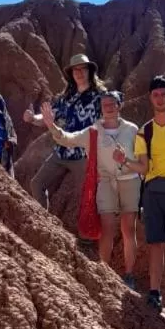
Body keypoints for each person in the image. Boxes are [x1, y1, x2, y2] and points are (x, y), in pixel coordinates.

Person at [40, 90, 140, 288]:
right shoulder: (93, 131)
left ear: (119, 106)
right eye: (105, 105)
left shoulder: (132, 130)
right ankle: (105, 273)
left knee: (129, 229)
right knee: (107, 229)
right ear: (100, 108)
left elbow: (141, 157)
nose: (109, 108)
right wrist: (52, 126)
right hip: (105, 182)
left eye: (113, 104)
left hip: (129, 180)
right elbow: (68, 138)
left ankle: (129, 275)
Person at [116, 75, 165, 323]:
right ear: (151, 98)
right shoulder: (144, 131)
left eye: (164, 94)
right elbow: (144, 168)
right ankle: (155, 293)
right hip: (152, 192)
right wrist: (124, 161)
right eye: (155, 95)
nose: (160, 98)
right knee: (155, 244)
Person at [24, 53, 105, 209]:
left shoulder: (100, 97)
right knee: (37, 184)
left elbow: (110, 120)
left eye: (83, 69)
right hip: (62, 151)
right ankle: (47, 225)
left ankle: (92, 230)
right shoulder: (67, 97)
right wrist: (33, 118)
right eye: (76, 70)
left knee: (89, 195)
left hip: (84, 154)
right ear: (71, 74)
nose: (79, 73)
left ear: (90, 71)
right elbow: (49, 116)